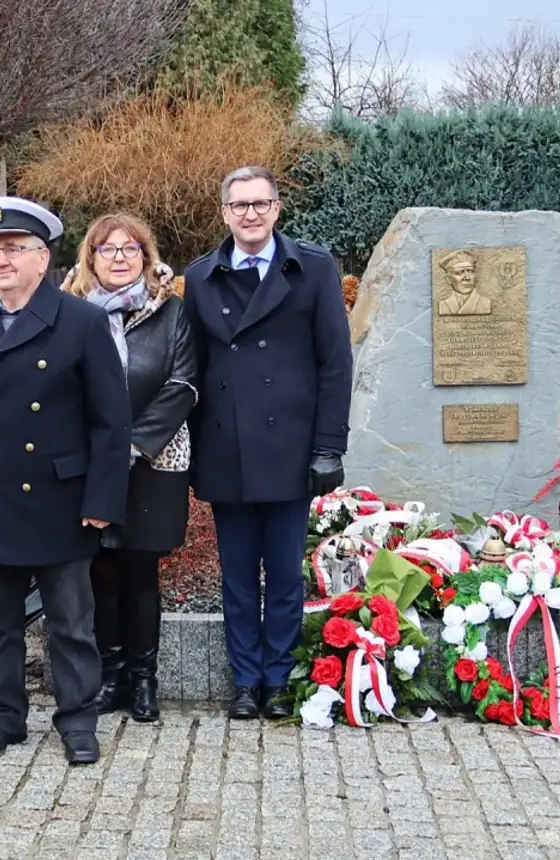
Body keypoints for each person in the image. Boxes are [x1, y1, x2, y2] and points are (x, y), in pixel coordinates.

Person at [0, 197, 131, 764]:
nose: (2, 261)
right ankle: (2, 716)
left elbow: (111, 422)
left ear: (44, 259)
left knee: (70, 622)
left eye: (15, 249)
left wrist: (102, 500)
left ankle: (77, 719)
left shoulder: (82, 322)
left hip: (59, 500)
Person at [180, 166, 352, 720]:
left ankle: (277, 680)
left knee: (282, 576)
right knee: (236, 578)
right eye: (239, 205)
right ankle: (244, 683)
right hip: (227, 449)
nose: (250, 214)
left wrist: (330, 446)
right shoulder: (201, 277)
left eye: (260, 203)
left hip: (291, 449)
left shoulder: (313, 268)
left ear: (277, 208)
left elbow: (334, 364)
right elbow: (192, 370)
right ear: (224, 212)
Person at [64, 214, 199, 724]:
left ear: (146, 256)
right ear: (91, 258)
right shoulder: (72, 313)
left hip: (154, 461)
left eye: (130, 249)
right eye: (107, 249)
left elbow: (183, 384)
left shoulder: (171, 312)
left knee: (140, 571)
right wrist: (99, 448)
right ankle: (111, 677)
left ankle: (144, 681)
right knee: (98, 571)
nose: (119, 257)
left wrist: (132, 443)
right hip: (90, 465)